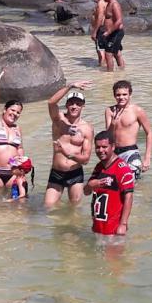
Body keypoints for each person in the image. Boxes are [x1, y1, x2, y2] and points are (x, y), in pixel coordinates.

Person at [45, 80, 95, 208]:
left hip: (75, 173)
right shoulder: (58, 120)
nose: (74, 106)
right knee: (48, 208)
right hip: (56, 172)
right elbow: (51, 102)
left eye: (78, 104)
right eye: (71, 103)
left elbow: (86, 159)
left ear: (83, 106)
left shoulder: (87, 128)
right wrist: (70, 86)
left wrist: (68, 154)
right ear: (66, 105)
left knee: (74, 210)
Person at [0, 68, 30, 192]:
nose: (15, 114)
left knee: (18, 205)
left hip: (13, 173)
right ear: (5, 110)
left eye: (18, 113)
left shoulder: (17, 128)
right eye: (12, 110)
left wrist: (22, 162)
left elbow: (19, 148)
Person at [85, 130, 136, 236]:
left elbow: (129, 197)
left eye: (104, 147)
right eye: (97, 147)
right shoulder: (98, 167)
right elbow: (86, 192)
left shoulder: (122, 168)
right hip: (98, 227)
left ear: (113, 147)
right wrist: (90, 185)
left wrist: (123, 224)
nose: (100, 150)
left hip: (114, 230)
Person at [105, 79, 152, 180]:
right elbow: (108, 136)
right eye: (118, 95)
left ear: (130, 94)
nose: (121, 97)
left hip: (131, 152)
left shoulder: (137, 111)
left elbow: (149, 133)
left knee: (130, 184)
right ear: (114, 96)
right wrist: (113, 124)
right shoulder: (109, 111)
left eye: (124, 94)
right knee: (114, 185)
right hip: (114, 153)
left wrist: (147, 157)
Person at [100, 0, 125, 70]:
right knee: (116, 52)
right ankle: (121, 71)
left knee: (108, 53)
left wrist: (108, 32)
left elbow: (119, 21)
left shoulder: (114, 4)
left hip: (116, 32)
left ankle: (109, 74)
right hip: (112, 33)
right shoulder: (109, 3)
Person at [89, 0, 108, 67]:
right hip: (105, 28)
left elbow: (100, 18)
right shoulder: (106, 2)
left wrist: (95, 31)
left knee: (100, 51)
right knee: (105, 50)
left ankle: (101, 69)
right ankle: (105, 67)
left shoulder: (100, 3)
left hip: (100, 29)